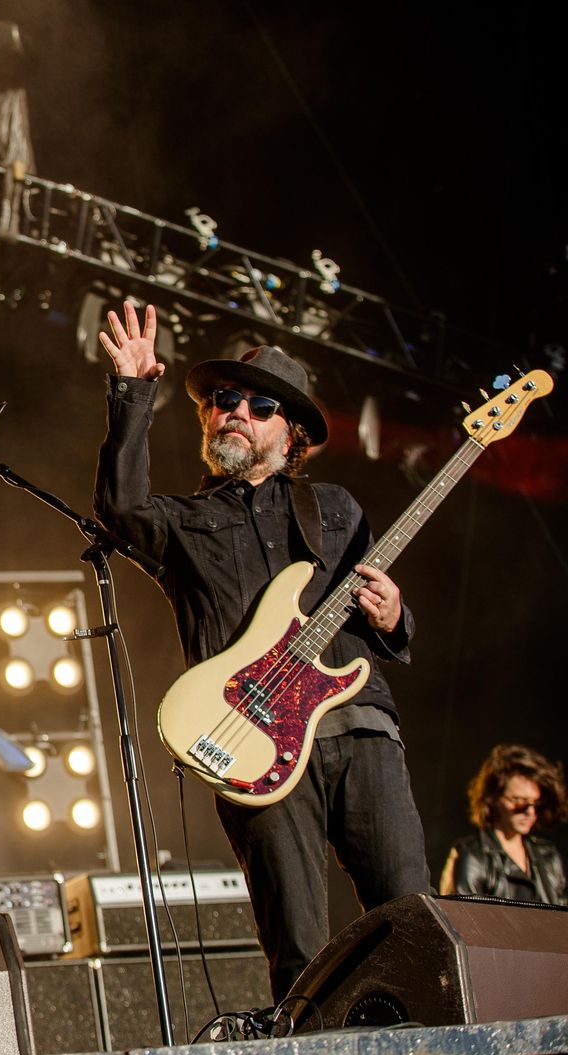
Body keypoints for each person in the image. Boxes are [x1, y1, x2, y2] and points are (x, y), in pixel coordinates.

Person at [94, 301, 431, 1003]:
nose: (236, 413)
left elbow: (380, 618)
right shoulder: (183, 523)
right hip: (253, 743)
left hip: (358, 727)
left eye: (259, 406)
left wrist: (394, 614)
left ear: (291, 433)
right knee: (300, 946)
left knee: (410, 915)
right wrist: (133, 393)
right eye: (223, 401)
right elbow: (120, 508)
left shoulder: (335, 508)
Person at [440, 744, 568, 905]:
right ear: (494, 798)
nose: (530, 812)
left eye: (536, 803)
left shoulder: (548, 855)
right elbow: (461, 915)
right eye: (519, 802)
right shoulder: (473, 855)